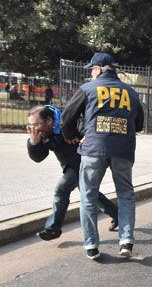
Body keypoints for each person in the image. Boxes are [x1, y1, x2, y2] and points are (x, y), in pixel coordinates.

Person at [60, 52, 144, 261]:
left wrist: (73, 136)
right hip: (123, 150)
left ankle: (91, 246)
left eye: (92, 69)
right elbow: (140, 125)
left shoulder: (88, 89)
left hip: (93, 149)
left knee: (88, 196)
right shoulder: (131, 93)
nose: (91, 73)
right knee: (125, 194)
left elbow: (66, 118)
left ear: (98, 69)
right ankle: (126, 241)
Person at [26, 105, 118, 241]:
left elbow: (89, 126)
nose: (33, 129)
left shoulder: (68, 121)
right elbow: (39, 157)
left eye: (36, 125)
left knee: (61, 189)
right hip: (70, 165)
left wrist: (85, 137)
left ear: (49, 121)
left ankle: (53, 229)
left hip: (85, 161)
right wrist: (34, 143)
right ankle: (119, 216)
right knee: (91, 193)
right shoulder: (42, 133)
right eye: (30, 125)